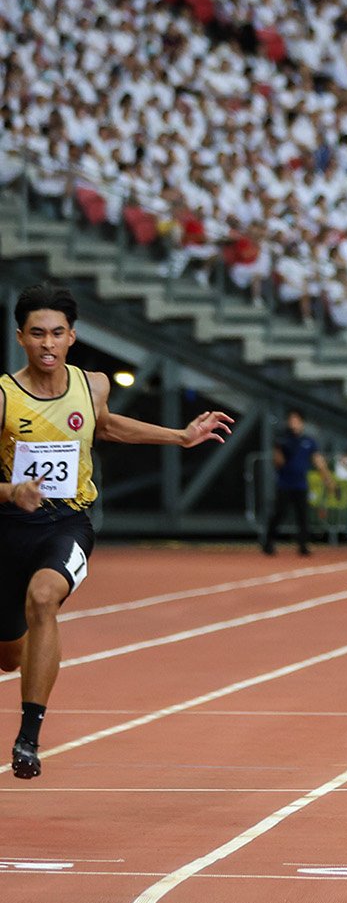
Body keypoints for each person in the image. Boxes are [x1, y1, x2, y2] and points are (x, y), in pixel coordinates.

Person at [2, 282, 233, 779]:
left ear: (72, 336)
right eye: (37, 333)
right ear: (20, 337)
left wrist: (180, 436)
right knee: (8, 655)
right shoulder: (3, 397)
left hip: (68, 521)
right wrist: (10, 492)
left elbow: (103, 426)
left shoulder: (93, 386)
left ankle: (28, 737)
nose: (47, 344)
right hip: (9, 526)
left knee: (44, 598)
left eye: (57, 334)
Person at [261, 408, 324, 555]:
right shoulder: (283, 440)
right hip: (285, 483)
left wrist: (328, 480)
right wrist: (280, 449)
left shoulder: (308, 441)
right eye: (291, 420)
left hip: (300, 484)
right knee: (278, 513)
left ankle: (303, 545)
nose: (293, 423)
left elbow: (318, 460)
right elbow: (278, 462)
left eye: (296, 420)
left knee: (302, 515)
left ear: (302, 422)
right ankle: (268, 542)